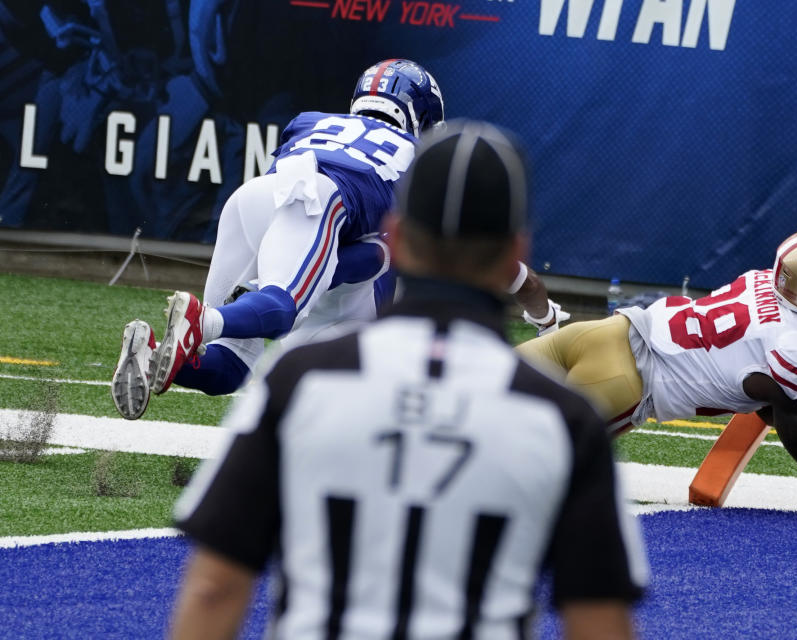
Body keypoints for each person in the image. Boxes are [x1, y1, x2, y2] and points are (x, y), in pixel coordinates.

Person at [169, 121, 648, 640]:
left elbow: (214, 588)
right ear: (516, 249)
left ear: (395, 237)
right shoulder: (561, 416)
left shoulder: (299, 382)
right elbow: (599, 621)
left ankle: (210, 327)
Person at [110, 59, 566, 420]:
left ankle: (154, 356)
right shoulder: (419, 161)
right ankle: (203, 321)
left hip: (254, 198)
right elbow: (379, 256)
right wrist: (545, 314)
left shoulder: (310, 121)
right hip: (316, 204)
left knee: (231, 366)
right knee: (283, 309)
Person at [517, 226, 797, 479]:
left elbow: (774, 412)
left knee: (470, 392)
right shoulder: (796, 352)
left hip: (598, 333)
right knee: (516, 467)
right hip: (623, 382)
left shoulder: (758, 280)